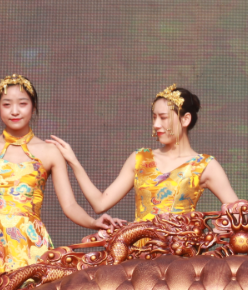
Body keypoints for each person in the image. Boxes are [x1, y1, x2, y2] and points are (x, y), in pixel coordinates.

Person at [0, 74, 115, 290]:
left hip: (31, 245)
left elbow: (70, 205)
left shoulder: (49, 151)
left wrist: (93, 222)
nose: (15, 111)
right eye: (7, 104)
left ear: (33, 108)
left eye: (22, 104)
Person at [46, 84, 237, 227]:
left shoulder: (204, 165)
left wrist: (211, 231)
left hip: (181, 258)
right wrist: (73, 161)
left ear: (185, 119)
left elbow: (239, 214)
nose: (156, 125)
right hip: (139, 255)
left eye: (163, 118)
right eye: (154, 117)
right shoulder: (140, 159)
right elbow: (100, 204)